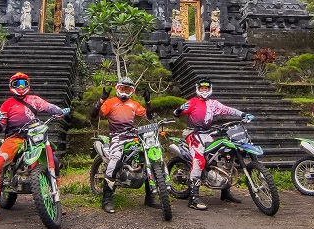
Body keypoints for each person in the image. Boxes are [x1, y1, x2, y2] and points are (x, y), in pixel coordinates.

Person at [0, 72, 71, 226]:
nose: (21, 87)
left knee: (53, 160)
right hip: (14, 138)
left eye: (23, 83)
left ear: (28, 85)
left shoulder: (34, 100)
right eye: (17, 84)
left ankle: (55, 200)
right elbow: (0, 125)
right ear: (11, 86)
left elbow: (49, 107)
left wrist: (61, 111)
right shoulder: (7, 104)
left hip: (35, 134)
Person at [173, 77, 255, 210]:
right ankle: (193, 197)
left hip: (208, 134)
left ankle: (225, 191)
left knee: (223, 156)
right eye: (202, 88)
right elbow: (177, 113)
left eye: (206, 88)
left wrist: (243, 114)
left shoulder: (214, 104)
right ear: (198, 89)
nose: (204, 90)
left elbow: (228, 110)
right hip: (193, 134)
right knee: (199, 159)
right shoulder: (193, 102)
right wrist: (179, 109)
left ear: (210, 89)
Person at [90, 77, 155, 214]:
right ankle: (106, 199)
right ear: (117, 88)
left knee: (147, 159)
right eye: (122, 88)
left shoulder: (134, 104)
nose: (125, 91)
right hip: (116, 137)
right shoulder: (111, 102)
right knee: (115, 161)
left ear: (132, 91)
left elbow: (149, 116)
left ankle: (150, 197)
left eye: (128, 89)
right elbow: (94, 115)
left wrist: (148, 102)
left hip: (133, 136)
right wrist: (101, 100)